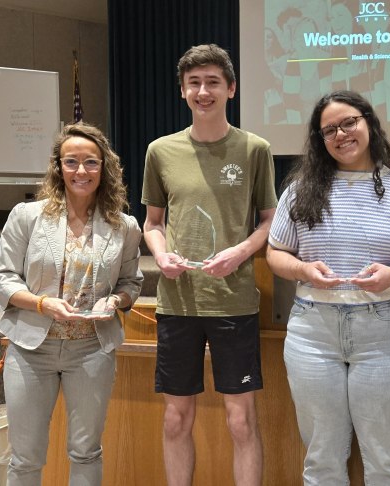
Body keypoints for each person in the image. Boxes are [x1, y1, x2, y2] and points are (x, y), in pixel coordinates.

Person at [266, 90, 390, 485]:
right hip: (313, 332)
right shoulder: (298, 189)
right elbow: (275, 254)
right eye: (329, 129)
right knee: (322, 459)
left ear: (368, 123)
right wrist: (303, 270)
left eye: (349, 123)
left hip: (385, 330)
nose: (341, 134)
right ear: (319, 139)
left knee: (387, 457)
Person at [141, 44, 277, 486]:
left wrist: (239, 253)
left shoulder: (255, 149)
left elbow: (268, 222)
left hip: (233, 303)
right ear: (183, 91)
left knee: (240, 422)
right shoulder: (160, 151)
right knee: (176, 420)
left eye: (213, 82)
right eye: (194, 83)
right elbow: (153, 223)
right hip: (177, 304)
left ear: (231, 89)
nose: (204, 91)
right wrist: (160, 255)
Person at [0, 122, 144, 485]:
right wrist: (43, 304)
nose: (81, 171)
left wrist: (115, 300)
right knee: (25, 458)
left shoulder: (124, 226)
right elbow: (2, 278)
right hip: (31, 349)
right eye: (71, 161)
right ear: (58, 166)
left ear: (104, 168)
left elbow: (131, 283)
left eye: (91, 162)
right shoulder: (27, 216)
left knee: (86, 450)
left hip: (91, 348)